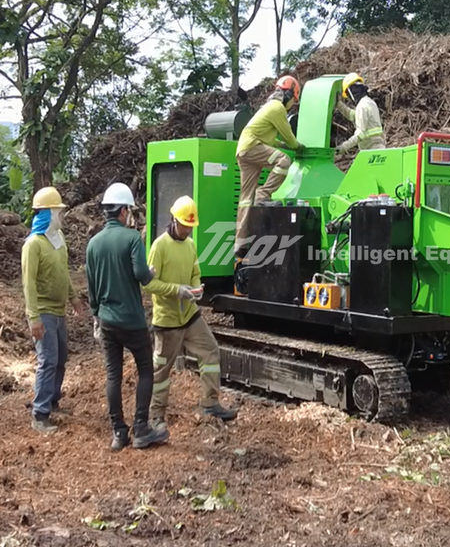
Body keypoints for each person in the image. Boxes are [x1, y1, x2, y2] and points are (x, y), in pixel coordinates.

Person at [86, 182, 168, 451]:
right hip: (131, 320)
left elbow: (91, 288)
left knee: (113, 375)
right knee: (146, 370)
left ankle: (119, 433)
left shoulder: (93, 244)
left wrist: (96, 316)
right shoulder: (132, 238)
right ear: (123, 211)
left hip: (107, 321)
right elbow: (142, 276)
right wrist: (151, 272)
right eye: (129, 211)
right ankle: (141, 428)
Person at [144, 196, 237, 428]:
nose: (188, 230)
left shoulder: (190, 245)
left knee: (210, 350)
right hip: (167, 320)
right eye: (185, 225)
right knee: (161, 369)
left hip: (189, 315)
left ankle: (210, 402)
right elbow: (148, 284)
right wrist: (177, 290)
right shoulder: (159, 246)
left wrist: (196, 288)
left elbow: (195, 272)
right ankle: (156, 416)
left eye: (191, 226)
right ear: (174, 220)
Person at [22, 186, 85, 434]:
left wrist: (73, 297)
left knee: (60, 358)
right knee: (48, 360)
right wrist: (34, 317)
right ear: (47, 213)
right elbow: (28, 283)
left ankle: (53, 401)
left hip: (58, 311)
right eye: (58, 212)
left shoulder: (59, 240)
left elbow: (63, 272)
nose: (62, 216)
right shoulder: (33, 245)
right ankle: (40, 413)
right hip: (44, 311)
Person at [234, 75, 304, 258]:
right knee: (283, 161)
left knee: (246, 198)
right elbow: (289, 137)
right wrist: (298, 147)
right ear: (289, 94)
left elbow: (271, 139)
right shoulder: (277, 108)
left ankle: (241, 243)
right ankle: (264, 193)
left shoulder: (268, 107)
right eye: (294, 100)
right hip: (252, 147)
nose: (292, 105)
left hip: (243, 150)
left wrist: (282, 144)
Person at [335, 73, 386, 154]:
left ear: (351, 92)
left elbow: (360, 134)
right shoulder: (370, 102)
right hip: (378, 149)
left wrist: (344, 147)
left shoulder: (362, 106)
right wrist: (339, 105)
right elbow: (354, 116)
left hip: (371, 152)